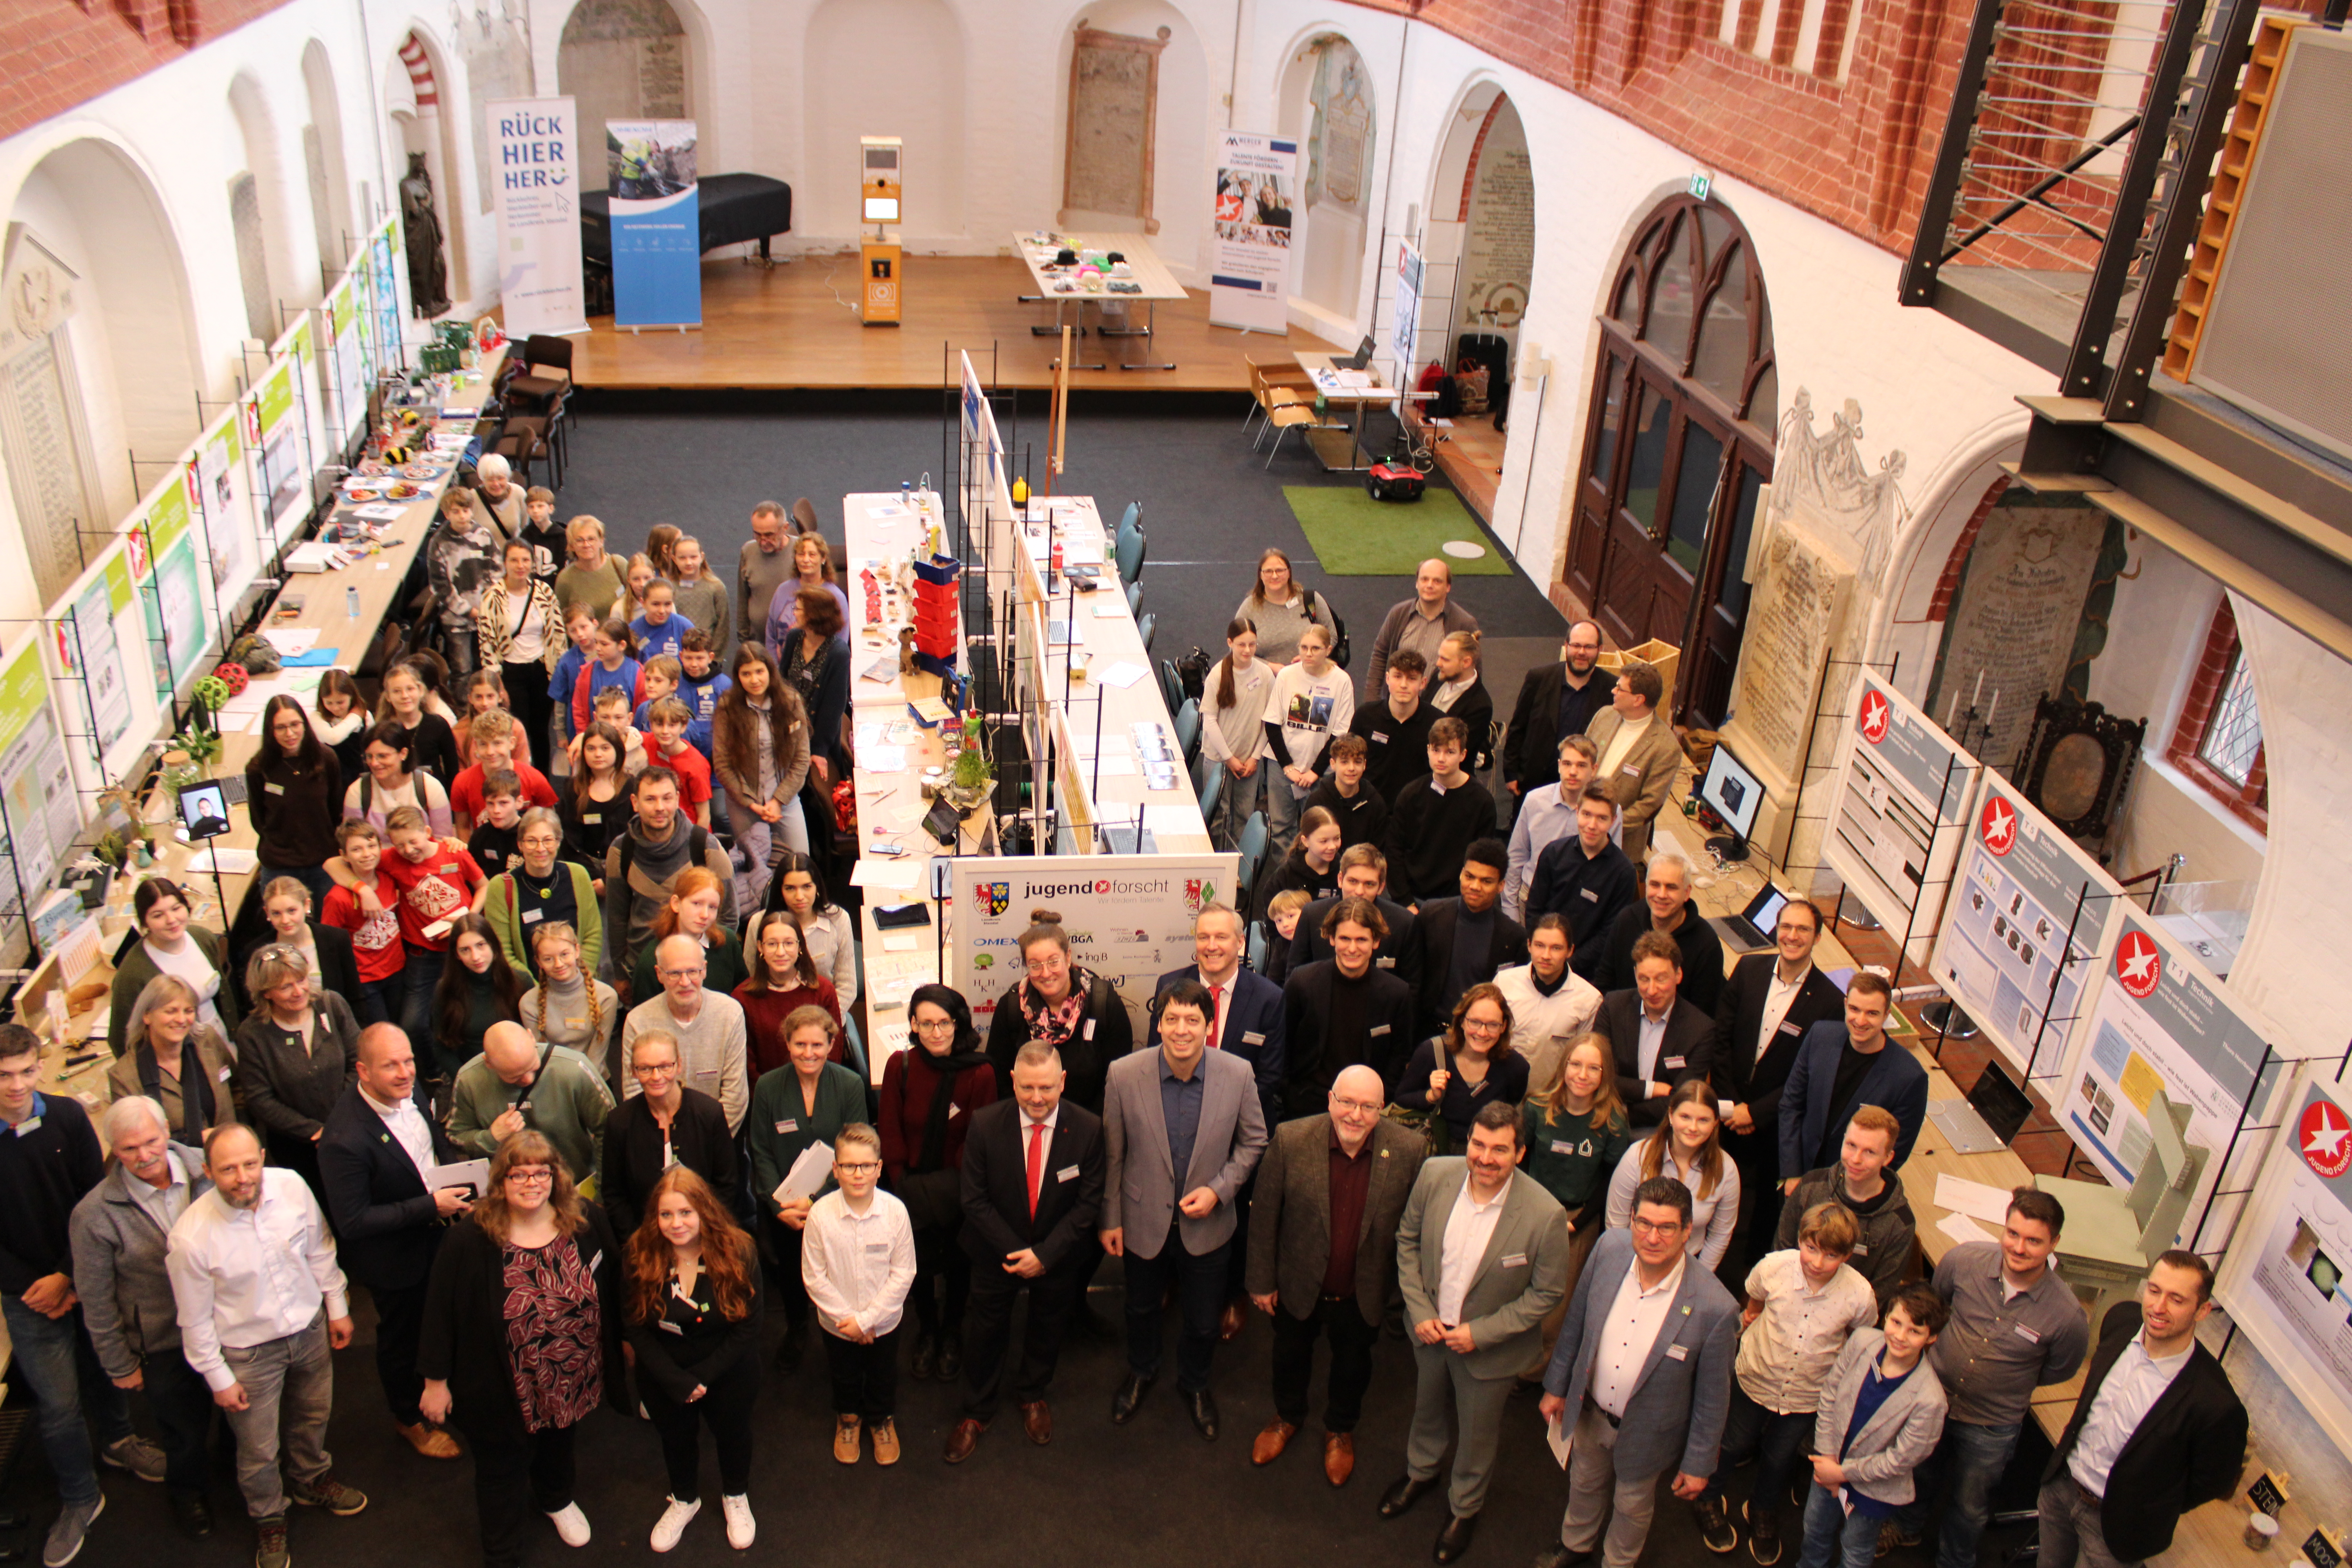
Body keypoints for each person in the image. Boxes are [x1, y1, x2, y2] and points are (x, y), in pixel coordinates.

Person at [417, 1131, 623, 1568]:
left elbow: (615, 1282)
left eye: (540, 1173)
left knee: (560, 1442)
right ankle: (502, 1553)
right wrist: (435, 1382)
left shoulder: (586, 1220)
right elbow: (438, 1312)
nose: (531, 1183)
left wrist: (623, 1343)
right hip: (500, 1382)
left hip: (572, 1374)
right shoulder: (469, 1239)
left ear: (556, 1176)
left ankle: (556, 1498)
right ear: (500, 1180)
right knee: (501, 1469)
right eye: (518, 1174)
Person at [166, 1124, 367, 1568]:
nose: (242, 1177)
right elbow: (194, 1320)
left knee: (314, 1416)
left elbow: (319, 1248)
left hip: (309, 1330)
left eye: (250, 1164)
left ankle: (311, 1478)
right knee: (257, 1449)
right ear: (207, 1171)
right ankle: (269, 1517)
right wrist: (217, 1377)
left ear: (262, 1157)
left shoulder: (292, 1185)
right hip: (248, 1354)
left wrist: (336, 1306)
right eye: (228, 1169)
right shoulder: (190, 1237)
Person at [1383, 1102, 1570, 1564]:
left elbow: (1547, 1293)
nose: (1486, 1158)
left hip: (1489, 1349)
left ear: (1520, 1152)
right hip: (1428, 1330)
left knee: (1478, 1433)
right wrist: (1420, 1308)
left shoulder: (1545, 1214)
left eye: (1500, 1149)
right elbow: (1407, 1240)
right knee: (1425, 1410)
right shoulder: (1434, 1175)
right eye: (1478, 1145)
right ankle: (1422, 1471)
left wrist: (1480, 1333)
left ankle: (1464, 1506)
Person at [3, 1025, 160, 1567]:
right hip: (27, 1297)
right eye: (4, 1075)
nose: (17, 1086)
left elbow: (91, 1202)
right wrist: (38, 1286)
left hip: (81, 1276)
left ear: (40, 1064)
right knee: (59, 1405)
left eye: (26, 1071)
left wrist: (69, 1276)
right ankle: (79, 1497)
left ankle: (120, 1442)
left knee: (103, 1367)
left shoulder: (68, 1116)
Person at [1537, 1176, 1741, 1568]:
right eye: (1644, 1223)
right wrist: (1556, 1385)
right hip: (1590, 1412)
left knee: (1631, 1504)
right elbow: (1576, 1322)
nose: (1652, 1236)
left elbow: (1713, 1399)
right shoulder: (1609, 1248)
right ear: (1631, 1219)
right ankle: (1576, 1544)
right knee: (1583, 1482)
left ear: (1687, 1232)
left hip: (1649, 1430)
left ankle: (1618, 1562)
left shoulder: (1716, 1308)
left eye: (1666, 1227)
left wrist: (1699, 1463)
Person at [1246, 1064, 1428, 1486]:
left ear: (1382, 1109)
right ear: (1331, 1099)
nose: (1355, 1115)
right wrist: (1260, 1280)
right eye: (1347, 1102)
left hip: (1362, 1292)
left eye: (1367, 1106)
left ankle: (1340, 1429)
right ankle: (1287, 1415)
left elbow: (1415, 1230)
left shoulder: (1409, 1151)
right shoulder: (1291, 1140)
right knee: (1289, 1355)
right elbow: (1265, 1216)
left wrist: (1401, 1296)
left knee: (1353, 1365)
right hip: (1296, 1283)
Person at [1100, 980, 1267, 1439]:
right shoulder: (1123, 1074)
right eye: (1172, 1018)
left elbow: (1255, 1140)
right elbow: (1114, 1153)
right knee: (1139, 1308)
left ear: (1209, 1027)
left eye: (1193, 1020)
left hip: (1209, 1225)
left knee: (1201, 1318)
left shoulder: (1238, 1074)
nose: (1181, 1029)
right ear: (1158, 1023)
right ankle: (1142, 1370)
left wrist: (1219, 1190)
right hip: (1141, 1221)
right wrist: (1110, 1218)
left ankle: (1194, 1384)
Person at [1892, 1188, 2090, 1568]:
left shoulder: (2066, 1315)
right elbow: (1937, 1306)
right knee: (1919, 1473)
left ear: (2054, 1244)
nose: (2019, 1247)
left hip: (1991, 1425)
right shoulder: (1964, 1261)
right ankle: (1907, 1526)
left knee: (1969, 1506)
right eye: (2013, 1233)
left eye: (2034, 1241)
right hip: (1932, 1400)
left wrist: (2008, 1381)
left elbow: (2059, 1368)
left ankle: (1954, 1560)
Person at [944, 1042, 1105, 1463]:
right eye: (1028, 1087)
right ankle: (977, 1411)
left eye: (1048, 1088)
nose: (1038, 1098)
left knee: (1048, 1324)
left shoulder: (1088, 1128)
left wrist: (1046, 1255)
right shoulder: (984, 1123)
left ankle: (1032, 1394)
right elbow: (974, 1200)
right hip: (996, 1251)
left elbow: (1088, 1203)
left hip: (1058, 1255)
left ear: (1063, 1082)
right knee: (986, 1329)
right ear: (1013, 1081)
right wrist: (1020, 1252)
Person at [316, 1025, 470, 1462]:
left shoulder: (409, 1089)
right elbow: (353, 1221)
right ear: (363, 1071)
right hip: (395, 1260)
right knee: (404, 1340)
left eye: (409, 1061)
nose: (406, 1073)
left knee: (444, 1320)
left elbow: (433, 1143)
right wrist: (429, 1206)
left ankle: (442, 1388)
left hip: (440, 1234)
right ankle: (408, 1418)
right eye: (391, 1065)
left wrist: (459, 1186)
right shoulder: (344, 1139)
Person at [2036, 1252, 2248, 1568]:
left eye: (2176, 1299)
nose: (2158, 1308)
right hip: (2062, 1488)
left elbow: (2210, 1483)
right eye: (2154, 1290)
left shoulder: (2216, 1403)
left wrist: (2147, 1503)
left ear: (2202, 1311)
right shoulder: (2122, 1320)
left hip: (2118, 1528)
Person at [1693, 1203, 1879, 1559]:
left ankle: (1762, 1508)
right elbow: (1755, 1300)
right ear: (1800, 1240)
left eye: (1830, 1255)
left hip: (1808, 1394)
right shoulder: (1774, 1267)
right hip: (1756, 1376)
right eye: (1811, 1249)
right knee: (1732, 1443)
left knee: (1779, 1458)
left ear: (1846, 1256)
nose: (1818, 1262)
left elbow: (1861, 1338)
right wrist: (1751, 1319)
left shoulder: (1859, 1294)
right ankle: (1708, 1497)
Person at [72, 1098, 215, 1541]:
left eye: (152, 1141)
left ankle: (240, 1477)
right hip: (161, 1340)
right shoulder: (93, 1215)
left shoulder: (209, 1169)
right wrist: (120, 1364)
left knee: (240, 1416)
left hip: (228, 1323)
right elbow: (96, 1301)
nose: (144, 1155)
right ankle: (187, 1493)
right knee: (183, 1430)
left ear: (166, 1131)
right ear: (113, 1149)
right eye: (129, 1148)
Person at [624, 1165, 764, 1551]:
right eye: (666, 1214)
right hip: (665, 1373)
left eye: (686, 1212)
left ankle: (735, 1494)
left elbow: (749, 1326)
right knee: (676, 1438)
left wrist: (702, 1376)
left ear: (704, 1210)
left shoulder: (739, 1250)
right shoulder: (640, 1252)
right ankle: (684, 1498)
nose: (676, 1223)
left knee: (734, 1435)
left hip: (728, 1369)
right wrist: (676, 1380)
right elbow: (634, 1325)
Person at [1713, 897, 1847, 1274]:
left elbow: (1807, 1078)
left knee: (1762, 1216)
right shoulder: (1748, 969)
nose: (1792, 936)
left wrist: (1755, 1113)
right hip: (1728, 1111)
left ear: (1817, 937)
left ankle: (1747, 1281)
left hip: (1777, 1125)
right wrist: (1732, 1104)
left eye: (1803, 929)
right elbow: (1722, 1038)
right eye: (1786, 926)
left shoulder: (1830, 1002)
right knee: (1716, 1193)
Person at [878, 984, 997, 1381]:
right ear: (913, 1024)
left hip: (958, 1191)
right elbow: (891, 1130)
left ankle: (952, 1331)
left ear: (958, 1022)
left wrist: (944, 1193)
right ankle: (928, 1329)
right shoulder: (902, 1065)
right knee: (920, 1270)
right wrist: (902, 1186)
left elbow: (979, 1140)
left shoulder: (980, 1072)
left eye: (944, 1022)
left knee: (958, 1265)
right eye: (926, 1023)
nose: (936, 1032)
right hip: (907, 1189)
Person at [746, 1006, 867, 1374]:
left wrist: (816, 1201)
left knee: (842, 1270)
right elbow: (761, 1149)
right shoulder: (768, 1086)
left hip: (839, 1201)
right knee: (790, 1272)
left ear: (833, 1044)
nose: (809, 1052)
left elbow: (858, 1146)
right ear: (787, 1043)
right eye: (800, 1044)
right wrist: (778, 1203)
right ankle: (798, 1326)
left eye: (818, 1044)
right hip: (785, 1209)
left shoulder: (849, 1084)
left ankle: (844, 1329)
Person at [1799, 1285, 1951, 1568]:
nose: (1900, 1336)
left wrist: (1841, 1474)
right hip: (1829, 1461)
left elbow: (1899, 1460)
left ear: (1931, 1338)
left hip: (1874, 1486)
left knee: (1856, 1548)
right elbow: (1830, 1395)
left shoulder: (1930, 1401)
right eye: (1896, 1323)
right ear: (1885, 1318)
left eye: (1915, 1332)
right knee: (1815, 1529)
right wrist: (1828, 1457)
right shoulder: (1861, 1341)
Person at [1518, 1034, 1633, 1378]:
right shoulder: (1537, 1106)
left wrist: (1580, 1222)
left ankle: (1535, 1372)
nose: (1583, 1075)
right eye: (1576, 1064)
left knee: (1557, 1302)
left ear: (1605, 1074)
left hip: (1576, 1219)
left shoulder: (1613, 1120)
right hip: (1531, 1211)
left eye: (1594, 1068)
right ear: (1564, 1066)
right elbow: (1521, 1158)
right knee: (1516, 1286)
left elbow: (1612, 1178)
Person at [803, 1123, 916, 1466]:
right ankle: (849, 1418)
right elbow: (814, 1277)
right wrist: (849, 1322)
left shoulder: (896, 1212)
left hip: (884, 1323)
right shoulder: (820, 1215)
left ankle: (881, 1420)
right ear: (835, 1169)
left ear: (879, 1168)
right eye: (849, 1166)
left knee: (883, 1373)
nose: (858, 1174)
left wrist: (867, 1320)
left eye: (866, 1166)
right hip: (837, 1324)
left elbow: (903, 1273)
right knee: (844, 1374)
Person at [233, 945, 361, 1197]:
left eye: (301, 980)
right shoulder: (252, 1034)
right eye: (285, 987)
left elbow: (358, 1060)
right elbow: (260, 1099)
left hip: (354, 1127)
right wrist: (314, 1131)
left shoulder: (331, 1005)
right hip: (298, 1147)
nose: (298, 992)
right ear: (266, 993)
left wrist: (340, 1121)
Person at [1778, 973, 1927, 1185]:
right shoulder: (1820, 1036)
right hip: (1799, 1176)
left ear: (1887, 1015)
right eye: (1855, 1009)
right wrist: (1792, 1173)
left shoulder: (1909, 1078)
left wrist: (1847, 1192)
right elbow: (1791, 1105)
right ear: (1846, 1005)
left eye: (1872, 1013)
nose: (1861, 1021)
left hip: (1850, 1190)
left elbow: (1894, 1151)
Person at [982, 911, 1133, 1113]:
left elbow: (1118, 1082)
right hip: (1029, 1125)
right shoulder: (1012, 1008)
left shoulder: (1103, 1003)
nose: (1046, 974)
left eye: (1054, 962)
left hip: (1092, 1127)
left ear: (1068, 957)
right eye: (1035, 965)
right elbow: (1001, 1082)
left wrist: (1086, 1129)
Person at [1281, 897, 1419, 1117]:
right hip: (1306, 1105)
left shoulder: (1396, 993)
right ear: (1332, 939)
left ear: (1376, 942)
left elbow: (1399, 1055)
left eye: (1361, 940)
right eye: (1345, 938)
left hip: (1365, 1109)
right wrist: (1287, 1097)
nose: (1352, 949)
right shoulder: (1303, 982)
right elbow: (1282, 1045)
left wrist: (1382, 1099)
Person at [1775, 1106, 1920, 1312]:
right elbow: (1782, 1251)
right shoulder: (1811, 1187)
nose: (1856, 1159)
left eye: (1870, 1152)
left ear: (1888, 1158)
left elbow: (1879, 1294)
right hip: (1790, 1300)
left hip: (1845, 1318)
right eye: (1851, 1145)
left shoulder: (1900, 1223)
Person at [604, 768, 737, 985]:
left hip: (696, 972)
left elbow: (729, 916)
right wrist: (620, 974)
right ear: (635, 803)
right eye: (650, 799)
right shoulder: (620, 851)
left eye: (667, 798)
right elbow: (617, 919)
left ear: (677, 799)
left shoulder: (705, 847)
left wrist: (706, 964)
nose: (660, 808)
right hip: (642, 969)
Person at [601, 1031, 739, 1235]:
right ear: (633, 1071)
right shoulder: (619, 1122)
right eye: (646, 1069)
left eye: (665, 1066)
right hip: (642, 1240)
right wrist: (640, 1242)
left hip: (706, 1234)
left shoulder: (710, 1113)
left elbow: (727, 1185)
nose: (656, 1077)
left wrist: (701, 1233)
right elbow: (614, 1194)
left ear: (679, 1065)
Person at [446, 1022, 614, 1190]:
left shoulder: (573, 1069)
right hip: (510, 1193)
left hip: (573, 1184)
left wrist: (601, 1191)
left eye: (533, 1067)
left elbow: (609, 1131)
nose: (528, 1079)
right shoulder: (469, 1080)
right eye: (515, 1077)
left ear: (532, 1037)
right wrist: (491, 1138)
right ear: (489, 1063)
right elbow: (456, 1137)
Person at [712, 642, 812, 904]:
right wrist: (751, 804)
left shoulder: (790, 702)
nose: (754, 680)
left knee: (801, 865)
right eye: (746, 674)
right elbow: (722, 765)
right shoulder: (727, 706)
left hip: (785, 800)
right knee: (754, 874)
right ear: (738, 677)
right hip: (745, 804)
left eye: (759, 672)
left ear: (770, 671)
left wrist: (778, 800)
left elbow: (802, 760)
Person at [619, 933, 750, 1132]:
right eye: (674, 974)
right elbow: (634, 1094)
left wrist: (703, 1147)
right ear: (659, 974)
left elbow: (735, 1098)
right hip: (658, 1140)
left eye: (693, 972)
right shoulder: (638, 1021)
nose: (685, 982)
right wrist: (666, 1144)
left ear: (705, 971)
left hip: (716, 1140)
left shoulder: (730, 1014)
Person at [1606, 1079, 1742, 1268]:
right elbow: (1616, 1225)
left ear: (1715, 1124)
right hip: (1633, 1264)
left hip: (1690, 1267)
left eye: (1703, 1120)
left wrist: (1698, 1279)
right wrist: (1629, 1271)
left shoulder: (1726, 1170)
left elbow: (1720, 1235)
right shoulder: (1637, 1157)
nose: (1693, 1128)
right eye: (1685, 1117)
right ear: (1671, 1115)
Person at [1594, 929, 1717, 1126]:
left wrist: (1623, 1113)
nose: (1652, 990)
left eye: (1661, 979)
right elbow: (1597, 1075)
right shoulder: (1613, 1007)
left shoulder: (1701, 1030)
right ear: (1635, 974)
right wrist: (1650, 1089)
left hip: (1663, 1128)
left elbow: (1681, 1101)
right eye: (1644, 979)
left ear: (1678, 975)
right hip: (1604, 1122)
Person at [1407, 837, 1527, 1036]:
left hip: (1480, 1037)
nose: (1475, 886)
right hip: (1427, 1033)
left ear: (1501, 886)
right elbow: (1413, 981)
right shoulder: (1431, 916)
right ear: (1461, 874)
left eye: (1486, 881)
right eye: (1470, 877)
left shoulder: (1513, 937)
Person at [107, 878, 237, 1059]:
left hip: (223, 1042)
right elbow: (120, 1039)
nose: (172, 920)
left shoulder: (203, 938)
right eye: (158, 915)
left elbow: (226, 997)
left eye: (176, 909)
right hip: (180, 1061)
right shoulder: (133, 974)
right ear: (144, 923)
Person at [1593, 846, 1727, 1017]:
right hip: (1623, 1023)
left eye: (1671, 887)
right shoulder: (1627, 921)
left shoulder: (1706, 945)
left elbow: (1702, 1016)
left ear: (1687, 893)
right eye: (1655, 885)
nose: (1661, 895)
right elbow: (1604, 983)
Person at [1394, 984, 1530, 1151]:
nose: (1482, 1033)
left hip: (1486, 1155)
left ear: (1503, 1027)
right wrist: (1430, 1096)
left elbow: (1513, 1115)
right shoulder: (1432, 1052)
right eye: (1475, 1022)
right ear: (1462, 1021)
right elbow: (1401, 1098)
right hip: (1437, 1150)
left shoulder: (1516, 1068)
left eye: (1493, 1025)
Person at [107, 975, 238, 1143]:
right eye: (171, 1011)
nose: (182, 1020)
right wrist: (195, 1141)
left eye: (188, 1011)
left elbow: (237, 1086)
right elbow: (133, 1141)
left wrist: (238, 1134)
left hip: (230, 1153)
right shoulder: (124, 1078)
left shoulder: (208, 1041)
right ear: (147, 1016)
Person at [1382, 719, 1497, 907]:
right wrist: (1405, 901)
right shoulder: (1411, 795)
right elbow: (1394, 850)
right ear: (1428, 750)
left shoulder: (1482, 803)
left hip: (1457, 902)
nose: (1441, 759)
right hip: (1412, 900)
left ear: (1463, 755)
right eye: (1436, 750)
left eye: (1450, 752)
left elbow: (1481, 860)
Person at [482, 808, 602, 982]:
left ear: (559, 842)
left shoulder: (578, 875)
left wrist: (576, 980)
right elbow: (503, 950)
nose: (541, 848)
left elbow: (593, 934)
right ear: (520, 845)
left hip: (578, 985)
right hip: (527, 992)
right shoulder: (500, 888)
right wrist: (537, 992)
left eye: (548, 840)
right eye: (532, 841)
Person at [247, 695, 343, 907]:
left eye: (295, 725)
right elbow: (259, 820)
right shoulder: (258, 768)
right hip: (280, 865)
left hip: (324, 862)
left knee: (328, 929)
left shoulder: (326, 759)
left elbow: (336, 810)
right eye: (280, 728)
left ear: (305, 724)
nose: (289, 734)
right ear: (270, 731)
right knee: (286, 930)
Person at [1528, 783, 1641, 964]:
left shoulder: (1623, 873)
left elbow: (1609, 934)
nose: (1592, 825)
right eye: (1587, 815)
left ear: (1613, 820)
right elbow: (1534, 910)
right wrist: (1544, 953)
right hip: (1544, 960)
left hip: (1587, 972)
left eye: (1602, 818)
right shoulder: (1553, 853)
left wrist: (1567, 965)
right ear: (1578, 812)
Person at [1503, 622, 1611, 809]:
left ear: (1600, 649)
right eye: (1576, 645)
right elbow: (1518, 727)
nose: (1582, 652)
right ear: (1566, 646)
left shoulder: (1611, 689)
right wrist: (1512, 773)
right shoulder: (1539, 678)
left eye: (1589, 647)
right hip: (1534, 782)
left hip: (1580, 791)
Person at [1583, 659, 1684, 860]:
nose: (1614, 691)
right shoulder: (1605, 715)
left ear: (1638, 700)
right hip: (1578, 827)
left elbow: (1649, 805)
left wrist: (1604, 825)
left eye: (1620, 689)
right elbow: (1580, 761)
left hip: (1618, 846)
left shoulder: (1666, 747)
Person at [478, 538, 563, 774]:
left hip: (541, 670)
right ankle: (519, 782)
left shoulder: (544, 592)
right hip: (511, 673)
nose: (520, 565)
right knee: (518, 730)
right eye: (514, 560)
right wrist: (498, 685)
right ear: (504, 563)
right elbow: (487, 645)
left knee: (541, 731)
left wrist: (559, 672)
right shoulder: (492, 597)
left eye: (526, 560)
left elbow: (558, 634)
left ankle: (543, 783)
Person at [1263, 622, 1353, 846]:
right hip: (1282, 767)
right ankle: (1285, 878)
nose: (1308, 654)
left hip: (1321, 771)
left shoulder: (1342, 682)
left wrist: (1314, 771)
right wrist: (1288, 767)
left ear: (1328, 650)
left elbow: (1339, 735)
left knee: (1317, 833)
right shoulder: (1286, 675)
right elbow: (1272, 725)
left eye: (1315, 649)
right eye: (1304, 648)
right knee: (1281, 830)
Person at [1493, 915, 1602, 1090]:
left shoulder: (1589, 1000)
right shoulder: (1504, 983)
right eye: (1540, 946)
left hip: (1549, 1100)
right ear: (1529, 945)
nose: (1546, 956)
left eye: (1556, 948)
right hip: (1500, 1092)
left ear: (1570, 951)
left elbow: (1584, 1061)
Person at [1284, 844, 1419, 984]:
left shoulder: (1403, 923)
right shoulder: (1313, 915)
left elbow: (1412, 987)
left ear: (1382, 887)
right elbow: (1294, 977)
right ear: (1340, 879)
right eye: (1353, 881)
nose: (1360, 891)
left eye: (1370, 884)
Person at [1504, 735, 1602, 922]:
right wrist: (1510, 909)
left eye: (1581, 765)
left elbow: (1610, 866)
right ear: (1559, 765)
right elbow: (1517, 856)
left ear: (1594, 769)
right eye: (1567, 764)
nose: (1573, 772)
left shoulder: (1608, 810)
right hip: (1531, 899)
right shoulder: (1535, 801)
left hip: (1579, 907)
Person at [428, 913, 525, 1097]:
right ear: (456, 955)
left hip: (519, 1076)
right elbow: (442, 1047)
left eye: (481, 946)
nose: (476, 956)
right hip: (473, 1080)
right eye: (465, 950)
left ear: (494, 945)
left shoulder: (520, 982)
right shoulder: (446, 990)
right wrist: (468, 1082)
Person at [318, 822, 405, 1027]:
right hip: (365, 980)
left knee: (402, 1026)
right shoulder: (338, 898)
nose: (367, 854)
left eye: (372, 847)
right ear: (344, 855)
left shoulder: (389, 879)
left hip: (397, 970)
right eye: (357, 850)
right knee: (380, 1031)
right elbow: (328, 944)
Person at [1201, 617, 1275, 848]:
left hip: (1249, 761)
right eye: (1242, 644)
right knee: (1217, 817)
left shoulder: (1265, 675)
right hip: (1219, 758)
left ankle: (1235, 866)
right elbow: (1210, 721)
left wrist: (1255, 757)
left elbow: (1270, 722)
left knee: (1243, 815)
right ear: (1230, 643)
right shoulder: (1218, 675)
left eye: (1252, 644)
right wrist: (1229, 758)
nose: (1247, 650)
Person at [752, 853, 858, 1012]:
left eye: (807, 887)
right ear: (780, 890)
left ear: (817, 887)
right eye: (790, 889)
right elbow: (753, 979)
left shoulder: (839, 918)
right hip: (774, 1015)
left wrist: (822, 1025)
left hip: (826, 1015)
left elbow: (847, 987)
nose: (799, 897)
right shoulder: (758, 923)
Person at [1364, 557, 1480, 702]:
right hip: (1396, 704)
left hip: (1437, 708)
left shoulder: (1464, 623)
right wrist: (1372, 701)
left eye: (1437, 581)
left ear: (1448, 587)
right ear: (1417, 583)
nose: (1430, 585)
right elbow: (1380, 655)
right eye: (1425, 579)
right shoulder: (1398, 614)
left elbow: (1472, 673)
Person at [246, 876, 362, 1014]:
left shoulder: (336, 939)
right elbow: (256, 1004)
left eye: (292, 911)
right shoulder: (257, 951)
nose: (285, 920)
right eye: (276, 913)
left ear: (306, 906)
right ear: (267, 913)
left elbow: (355, 996)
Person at [778, 588, 851, 789]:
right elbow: (781, 679)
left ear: (813, 615)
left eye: (798, 609)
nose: (794, 613)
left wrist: (819, 749)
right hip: (788, 727)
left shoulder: (838, 653)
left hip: (816, 734)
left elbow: (834, 707)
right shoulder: (794, 637)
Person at [340, 720, 455, 840]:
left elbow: (442, 841)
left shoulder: (431, 788)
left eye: (382, 756)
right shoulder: (357, 792)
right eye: (369, 757)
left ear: (403, 754)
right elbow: (353, 842)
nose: (374, 763)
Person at [428, 487, 499, 675]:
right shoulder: (439, 543)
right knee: (462, 670)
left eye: (466, 511)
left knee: (487, 666)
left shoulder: (483, 535)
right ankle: (462, 705)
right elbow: (440, 587)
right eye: (456, 512)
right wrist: (469, 611)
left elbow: (498, 570)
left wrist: (491, 605)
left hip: (485, 615)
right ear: (446, 514)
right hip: (456, 621)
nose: (462, 516)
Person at [450, 710, 560, 832]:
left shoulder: (534, 779)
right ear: (476, 745)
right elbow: (463, 827)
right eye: (483, 744)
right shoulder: (463, 782)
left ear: (512, 743)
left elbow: (552, 824)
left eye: (497, 743)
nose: (490, 752)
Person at [1350, 648, 1436, 802]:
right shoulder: (1365, 716)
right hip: (1369, 809)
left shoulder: (1437, 722)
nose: (1404, 685)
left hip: (1416, 812)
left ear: (1423, 683)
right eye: (1398, 676)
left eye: (1411, 679)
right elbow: (1349, 761)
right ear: (1388, 678)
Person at [1236, 547, 1336, 668]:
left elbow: (1332, 635)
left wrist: (1311, 657)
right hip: (1266, 681)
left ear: (1289, 573)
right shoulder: (1249, 607)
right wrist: (1269, 666)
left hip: (1309, 676)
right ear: (1260, 575)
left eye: (1280, 571)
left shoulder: (1310, 601)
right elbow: (1236, 650)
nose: (1274, 576)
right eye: (1268, 571)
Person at [763, 532, 852, 656]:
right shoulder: (782, 591)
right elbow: (771, 635)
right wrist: (775, 669)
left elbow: (840, 642)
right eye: (801, 554)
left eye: (812, 555)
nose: (806, 560)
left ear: (823, 559)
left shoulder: (836, 597)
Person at [377, 659, 463, 787]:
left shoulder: (438, 725)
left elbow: (452, 772)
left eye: (410, 689)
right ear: (388, 697)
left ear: (421, 691)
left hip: (434, 795)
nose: (405, 696)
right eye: (397, 691)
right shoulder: (381, 731)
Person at [1299, 732, 1389, 852]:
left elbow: (1378, 851)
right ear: (1333, 764)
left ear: (1364, 765)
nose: (1351, 768)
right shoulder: (1317, 802)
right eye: (1345, 762)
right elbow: (1307, 847)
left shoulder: (1375, 803)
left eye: (1357, 762)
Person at [1254, 804, 1345, 922]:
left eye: (1337, 839)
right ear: (1306, 841)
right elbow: (1273, 920)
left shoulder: (1344, 870)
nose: (1333, 846)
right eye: (1324, 841)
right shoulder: (1285, 876)